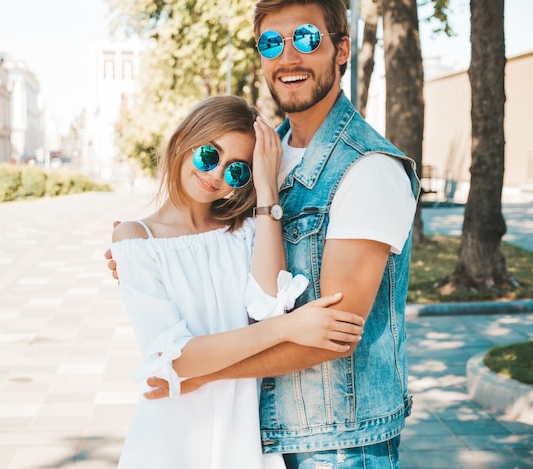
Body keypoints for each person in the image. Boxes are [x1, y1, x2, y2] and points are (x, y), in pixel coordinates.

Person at [106, 1, 421, 467]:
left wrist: (196, 374)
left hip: (333, 447)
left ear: (342, 49)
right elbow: (219, 247)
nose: (289, 56)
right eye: (273, 42)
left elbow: (330, 333)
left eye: (308, 38)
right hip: (259, 442)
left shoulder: (368, 168)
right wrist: (145, 252)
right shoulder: (260, 153)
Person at [110, 95, 365, 469]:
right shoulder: (136, 239)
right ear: (184, 139)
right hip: (172, 438)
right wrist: (288, 328)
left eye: (236, 170)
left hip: (245, 435)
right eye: (209, 156)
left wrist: (266, 189)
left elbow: (266, 302)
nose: (215, 175)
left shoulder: (246, 231)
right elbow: (175, 359)